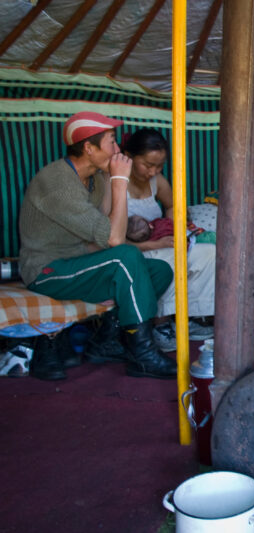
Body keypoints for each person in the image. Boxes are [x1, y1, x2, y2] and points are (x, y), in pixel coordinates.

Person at [18, 111, 177, 380]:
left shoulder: (95, 179)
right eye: (112, 143)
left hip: (80, 262)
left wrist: (109, 180)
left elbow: (106, 232)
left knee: (160, 270)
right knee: (124, 255)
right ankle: (143, 353)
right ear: (89, 149)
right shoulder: (57, 182)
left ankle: (107, 339)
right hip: (47, 270)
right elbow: (114, 239)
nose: (118, 150)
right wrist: (119, 181)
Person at [123, 128, 216, 350]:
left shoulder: (156, 180)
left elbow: (173, 205)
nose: (153, 170)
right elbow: (108, 238)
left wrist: (174, 225)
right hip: (133, 250)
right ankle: (160, 324)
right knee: (169, 257)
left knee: (209, 252)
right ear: (128, 156)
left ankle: (191, 317)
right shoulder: (114, 184)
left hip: (162, 241)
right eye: (147, 164)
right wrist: (154, 243)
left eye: (159, 165)